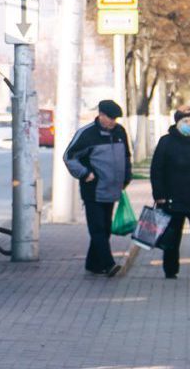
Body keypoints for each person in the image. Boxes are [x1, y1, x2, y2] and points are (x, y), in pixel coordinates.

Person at [63, 99, 132, 277]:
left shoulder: (119, 132)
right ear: (101, 115)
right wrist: (85, 173)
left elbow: (126, 156)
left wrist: (126, 177)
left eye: (115, 119)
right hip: (93, 190)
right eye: (110, 118)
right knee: (98, 229)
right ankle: (109, 264)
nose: (113, 122)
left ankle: (92, 264)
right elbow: (69, 157)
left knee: (105, 228)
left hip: (112, 189)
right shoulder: (87, 133)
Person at [150, 105, 190, 279]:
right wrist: (159, 195)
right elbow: (156, 170)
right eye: (185, 121)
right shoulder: (166, 142)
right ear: (177, 123)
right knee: (172, 238)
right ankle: (170, 270)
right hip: (174, 199)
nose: (189, 124)